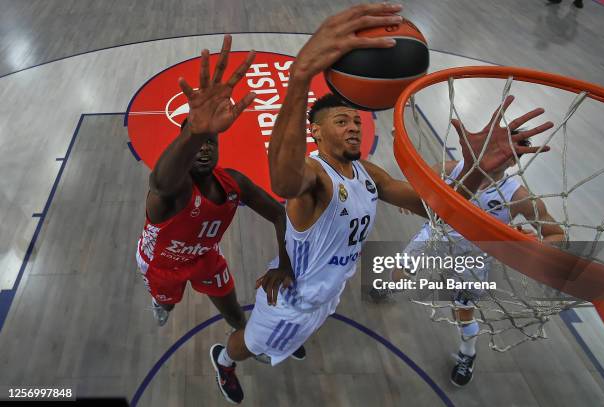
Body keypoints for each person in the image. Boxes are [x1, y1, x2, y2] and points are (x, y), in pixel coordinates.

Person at [208, 3, 553, 404]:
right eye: (341, 121)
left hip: (326, 292)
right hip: (290, 301)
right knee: (251, 343)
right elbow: (283, 181)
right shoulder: (314, 176)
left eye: (356, 121)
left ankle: (289, 338)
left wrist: (478, 169)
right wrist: (300, 77)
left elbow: (439, 210)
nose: (353, 126)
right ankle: (224, 360)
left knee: (296, 332)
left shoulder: (368, 174)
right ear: (315, 132)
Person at [135, 34, 306, 371]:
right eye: (197, 142)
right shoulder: (173, 192)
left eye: (210, 141)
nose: (204, 148)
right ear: (185, 144)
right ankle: (160, 303)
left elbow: (279, 214)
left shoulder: (234, 183)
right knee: (167, 305)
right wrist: (195, 130)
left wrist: (285, 263)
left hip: (204, 257)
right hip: (162, 264)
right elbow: (159, 182)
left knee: (232, 307)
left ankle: (245, 337)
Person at [371, 128, 565, 387]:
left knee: (463, 310)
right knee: (401, 270)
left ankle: (467, 353)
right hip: (435, 237)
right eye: (496, 147)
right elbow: (419, 184)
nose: (500, 154)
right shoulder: (453, 168)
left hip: (472, 257)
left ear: (514, 161)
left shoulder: (520, 198)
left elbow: (557, 235)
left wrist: (529, 245)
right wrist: (411, 199)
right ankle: (390, 286)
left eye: (508, 153)